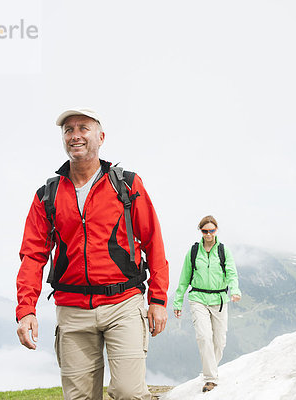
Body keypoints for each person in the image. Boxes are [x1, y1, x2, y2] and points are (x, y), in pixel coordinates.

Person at [16, 108, 169, 400]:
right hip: (72, 309)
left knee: (128, 393)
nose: (75, 135)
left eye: (83, 128)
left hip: (123, 303)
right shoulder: (47, 194)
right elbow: (33, 256)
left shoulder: (126, 185)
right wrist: (26, 310)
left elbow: (153, 242)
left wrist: (158, 300)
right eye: (68, 130)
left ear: (100, 137)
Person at [172, 215, 241, 393]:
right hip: (198, 299)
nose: (209, 234)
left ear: (216, 230)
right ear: (200, 231)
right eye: (205, 231)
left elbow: (231, 273)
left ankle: (209, 369)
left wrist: (235, 290)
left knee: (220, 341)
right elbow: (184, 278)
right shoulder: (194, 252)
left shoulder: (223, 251)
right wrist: (178, 302)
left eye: (212, 230)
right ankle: (210, 378)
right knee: (204, 337)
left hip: (219, 299)